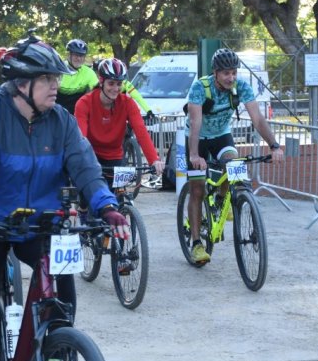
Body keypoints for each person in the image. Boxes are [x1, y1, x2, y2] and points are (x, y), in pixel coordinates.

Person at [0, 32, 129, 361]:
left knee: (62, 280)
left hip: (39, 223)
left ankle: (56, 354)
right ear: (22, 84)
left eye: (57, 79)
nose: (56, 86)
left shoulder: (61, 121)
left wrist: (107, 206)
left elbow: (87, 169)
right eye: (49, 80)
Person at [185, 48, 284, 264]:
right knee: (197, 188)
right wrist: (194, 154)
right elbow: (196, 122)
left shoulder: (242, 88)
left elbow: (257, 119)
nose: (231, 77)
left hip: (222, 135)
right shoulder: (200, 88)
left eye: (234, 72)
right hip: (197, 137)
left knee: (235, 164)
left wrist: (274, 145)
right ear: (216, 73)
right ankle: (196, 244)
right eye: (226, 73)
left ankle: (222, 200)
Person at [74, 57, 164, 174]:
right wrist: (80, 160)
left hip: (115, 157)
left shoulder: (127, 103)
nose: (116, 89)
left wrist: (154, 160)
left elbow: (141, 131)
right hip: (91, 156)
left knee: (118, 191)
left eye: (119, 84)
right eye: (111, 83)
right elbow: (81, 138)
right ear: (101, 81)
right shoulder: (84, 103)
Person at [56, 38, 98, 114]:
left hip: (77, 111)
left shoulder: (89, 72)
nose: (78, 58)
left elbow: (97, 91)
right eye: (75, 55)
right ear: (68, 55)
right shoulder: (58, 69)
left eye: (81, 55)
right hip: (57, 109)